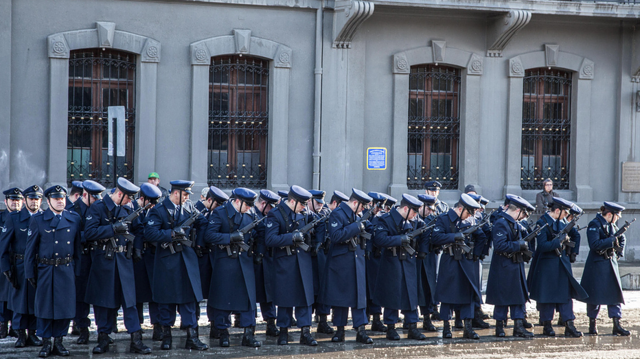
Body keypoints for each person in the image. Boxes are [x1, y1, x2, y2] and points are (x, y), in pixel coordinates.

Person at [84, 177, 151, 355]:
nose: (131, 201)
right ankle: (103, 339)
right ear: (119, 194)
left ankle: (136, 340)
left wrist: (136, 249)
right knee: (103, 303)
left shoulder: (130, 208)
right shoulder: (98, 208)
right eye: (128, 197)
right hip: (104, 260)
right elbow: (89, 232)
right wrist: (113, 228)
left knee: (130, 303)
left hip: (124, 260)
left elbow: (139, 230)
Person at [144, 180, 209, 351]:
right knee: (166, 300)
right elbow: (149, 233)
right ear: (175, 193)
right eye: (185, 194)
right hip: (167, 259)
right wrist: (171, 233)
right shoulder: (159, 210)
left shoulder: (189, 208)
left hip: (187, 258)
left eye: (188, 195)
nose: (187, 198)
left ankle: (192, 337)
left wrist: (197, 242)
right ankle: (167, 337)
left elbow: (203, 223)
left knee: (189, 300)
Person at [24, 185, 82, 357]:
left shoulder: (74, 219)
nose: (60, 201)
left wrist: (77, 272)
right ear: (48, 201)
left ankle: (59, 342)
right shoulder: (39, 220)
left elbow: (78, 248)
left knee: (64, 308)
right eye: (56, 199)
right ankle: (46, 343)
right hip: (45, 270)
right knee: (45, 308)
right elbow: (30, 249)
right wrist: (29, 273)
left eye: (62, 198)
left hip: (66, 269)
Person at [205, 188, 262, 348]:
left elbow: (262, 233)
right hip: (225, 261)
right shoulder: (220, 213)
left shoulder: (251, 214)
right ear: (238, 201)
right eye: (247, 205)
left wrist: (259, 252)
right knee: (223, 298)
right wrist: (229, 238)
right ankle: (223, 333)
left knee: (248, 300)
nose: (249, 208)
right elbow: (209, 235)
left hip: (245, 261)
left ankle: (249, 334)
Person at [264, 185, 318, 346]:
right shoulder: (275, 214)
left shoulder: (303, 214)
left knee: (305, 298)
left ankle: (305, 332)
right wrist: (291, 237)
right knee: (285, 298)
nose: (304, 207)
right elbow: (270, 239)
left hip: (303, 261)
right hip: (285, 262)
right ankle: (283, 331)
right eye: (302, 204)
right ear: (292, 201)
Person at [528, 197, 587, 338]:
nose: (567, 215)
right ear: (557, 210)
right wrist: (558, 241)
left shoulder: (562, 223)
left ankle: (569, 324)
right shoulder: (542, 223)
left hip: (562, 264)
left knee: (566, 296)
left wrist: (573, 251)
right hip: (547, 265)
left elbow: (575, 235)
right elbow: (541, 246)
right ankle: (547, 325)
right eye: (565, 212)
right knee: (547, 296)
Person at [321, 188, 373, 344]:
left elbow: (368, 229)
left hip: (357, 259)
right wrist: (357, 227)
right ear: (355, 203)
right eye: (362, 206)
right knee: (340, 298)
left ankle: (361, 330)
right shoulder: (337, 214)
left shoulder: (355, 215)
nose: (363, 209)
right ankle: (340, 330)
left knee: (359, 297)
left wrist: (366, 226)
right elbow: (336, 235)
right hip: (341, 262)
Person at [372, 194, 427, 341]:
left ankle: (412, 327)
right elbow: (379, 239)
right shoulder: (386, 219)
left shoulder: (415, 221)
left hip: (408, 261)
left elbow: (425, 234)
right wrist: (400, 239)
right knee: (392, 294)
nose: (416, 215)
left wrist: (422, 250)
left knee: (411, 295)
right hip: (391, 261)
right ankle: (391, 327)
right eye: (414, 212)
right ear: (405, 208)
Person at [431, 193, 486, 340]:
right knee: (447, 295)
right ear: (460, 208)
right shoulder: (444, 219)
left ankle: (468, 328)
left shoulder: (471, 220)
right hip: (450, 261)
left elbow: (481, 236)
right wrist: (454, 237)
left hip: (467, 262)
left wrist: (476, 255)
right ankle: (446, 328)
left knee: (468, 295)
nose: (469, 216)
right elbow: (435, 238)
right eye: (468, 212)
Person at [485, 195, 535, 338]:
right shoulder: (501, 222)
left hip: (515, 265)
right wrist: (518, 245)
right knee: (502, 298)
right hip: (504, 266)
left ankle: (518, 327)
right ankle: (499, 327)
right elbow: (500, 245)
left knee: (518, 297)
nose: (523, 217)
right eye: (522, 213)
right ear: (517, 210)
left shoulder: (514, 222)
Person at [0, 185, 44, 348]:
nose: (34, 202)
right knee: (19, 301)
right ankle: (20, 334)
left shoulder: (45, 217)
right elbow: (4, 246)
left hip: (38, 265)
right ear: (25, 201)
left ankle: (33, 333)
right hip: (19, 265)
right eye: (31, 199)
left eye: (37, 198)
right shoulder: (15, 218)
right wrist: (6, 269)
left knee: (34, 301)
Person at [579, 201, 630, 336]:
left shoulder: (611, 225)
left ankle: (616, 324)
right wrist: (612, 240)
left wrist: (619, 252)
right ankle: (592, 324)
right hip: (597, 265)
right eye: (616, 216)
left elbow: (622, 238)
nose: (618, 218)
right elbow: (594, 244)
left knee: (615, 295)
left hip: (610, 264)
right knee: (594, 296)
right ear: (609, 214)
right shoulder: (595, 224)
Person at [66, 180, 105, 345]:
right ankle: (82, 328)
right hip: (81, 258)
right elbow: (69, 236)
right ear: (84, 195)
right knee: (80, 296)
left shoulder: (101, 210)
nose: (97, 201)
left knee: (100, 295)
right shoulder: (72, 211)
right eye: (94, 198)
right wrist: (88, 235)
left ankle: (103, 329)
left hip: (98, 257)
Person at [195, 186, 229, 339]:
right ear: (209, 200)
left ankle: (216, 325)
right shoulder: (196, 210)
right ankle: (192, 326)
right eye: (217, 204)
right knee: (197, 293)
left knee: (216, 293)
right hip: (199, 258)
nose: (219, 208)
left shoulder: (218, 213)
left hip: (214, 258)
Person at [131, 183, 163, 341]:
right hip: (136, 257)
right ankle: (137, 325)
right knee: (136, 293)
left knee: (154, 292)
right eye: (150, 202)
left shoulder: (156, 212)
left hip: (151, 255)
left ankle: (157, 325)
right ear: (141, 199)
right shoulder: (132, 210)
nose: (153, 205)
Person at [251, 190, 280, 338]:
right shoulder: (250, 214)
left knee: (268, 292)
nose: (273, 210)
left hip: (267, 259)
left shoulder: (268, 215)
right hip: (251, 258)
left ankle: (270, 322)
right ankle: (248, 324)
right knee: (249, 293)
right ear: (263, 204)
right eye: (271, 206)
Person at [306, 190, 334, 335]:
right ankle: (305, 323)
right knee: (308, 291)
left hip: (322, 257)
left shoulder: (326, 214)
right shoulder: (303, 215)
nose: (319, 206)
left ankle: (323, 321)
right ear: (309, 201)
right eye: (317, 203)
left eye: (321, 203)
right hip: (307, 258)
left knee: (323, 289)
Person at [1, 187, 23, 339]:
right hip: (3, 261)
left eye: (18, 200)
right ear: (6, 201)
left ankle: (16, 326)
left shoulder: (25, 218)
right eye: (12, 200)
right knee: (2, 296)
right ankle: (3, 324)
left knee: (17, 295)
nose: (15, 203)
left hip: (18, 261)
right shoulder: (1, 218)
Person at [364, 192, 388, 333]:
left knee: (376, 288)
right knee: (364, 289)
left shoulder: (381, 219)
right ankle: (363, 317)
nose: (379, 209)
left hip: (377, 258)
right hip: (363, 258)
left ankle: (376, 320)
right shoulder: (363, 217)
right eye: (377, 206)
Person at [416, 194, 438, 332]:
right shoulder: (412, 219)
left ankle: (426, 318)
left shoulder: (433, 220)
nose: (430, 211)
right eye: (428, 208)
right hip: (413, 258)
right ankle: (409, 319)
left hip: (429, 258)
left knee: (428, 288)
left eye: (432, 209)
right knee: (412, 288)